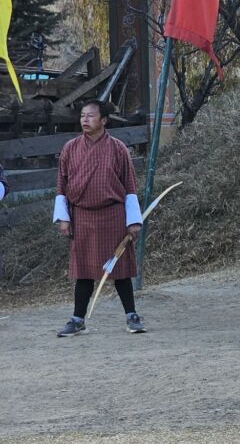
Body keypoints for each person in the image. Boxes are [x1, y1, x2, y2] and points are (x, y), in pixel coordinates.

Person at [52, 99, 145, 336]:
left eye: (91, 115)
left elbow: (130, 186)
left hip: (113, 215)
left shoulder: (118, 148)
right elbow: (61, 186)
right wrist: (63, 218)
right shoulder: (70, 148)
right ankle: (77, 319)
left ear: (104, 120)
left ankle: (131, 316)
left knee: (120, 268)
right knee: (83, 271)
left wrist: (133, 221)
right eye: (83, 115)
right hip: (81, 216)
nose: (85, 119)